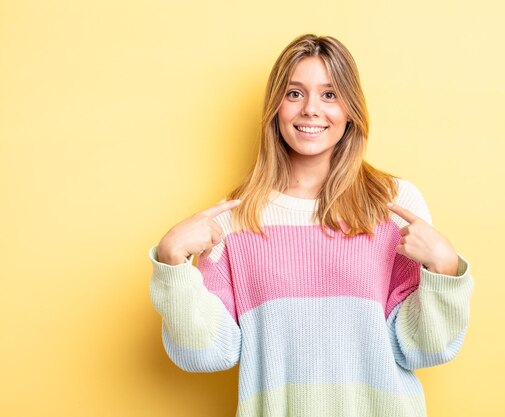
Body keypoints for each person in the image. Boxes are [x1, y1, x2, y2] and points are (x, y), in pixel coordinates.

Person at [148, 33, 475, 417]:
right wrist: (171, 266)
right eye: (294, 93)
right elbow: (206, 354)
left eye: (330, 94)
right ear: (275, 108)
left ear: (351, 109)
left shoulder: (394, 204)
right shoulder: (232, 219)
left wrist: (445, 269)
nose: (311, 110)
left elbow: (422, 347)